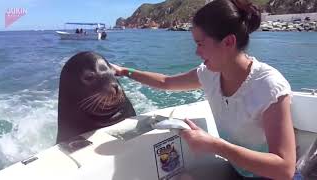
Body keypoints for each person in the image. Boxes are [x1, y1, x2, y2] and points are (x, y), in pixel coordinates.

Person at [111, 0, 296, 179]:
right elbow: (166, 82)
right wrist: (124, 71)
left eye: (200, 44)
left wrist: (216, 146)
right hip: (237, 171)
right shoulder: (210, 74)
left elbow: (284, 169)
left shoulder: (269, 86)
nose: (197, 53)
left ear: (228, 42)